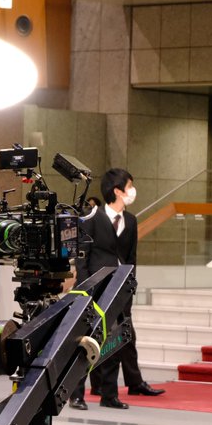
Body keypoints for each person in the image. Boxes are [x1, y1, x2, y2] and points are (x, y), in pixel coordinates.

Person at [70, 169, 164, 410]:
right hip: (94, 287)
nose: (132, 190)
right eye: (129, 186)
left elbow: (131, 258)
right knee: (85, 341)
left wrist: (129, 287)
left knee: (115, 340)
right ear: (117, 190)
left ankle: (109, 395)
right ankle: (76, 394)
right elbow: (82, 256)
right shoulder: (92, 217)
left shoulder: (130, 220)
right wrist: (85, 287)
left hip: (119, 290)